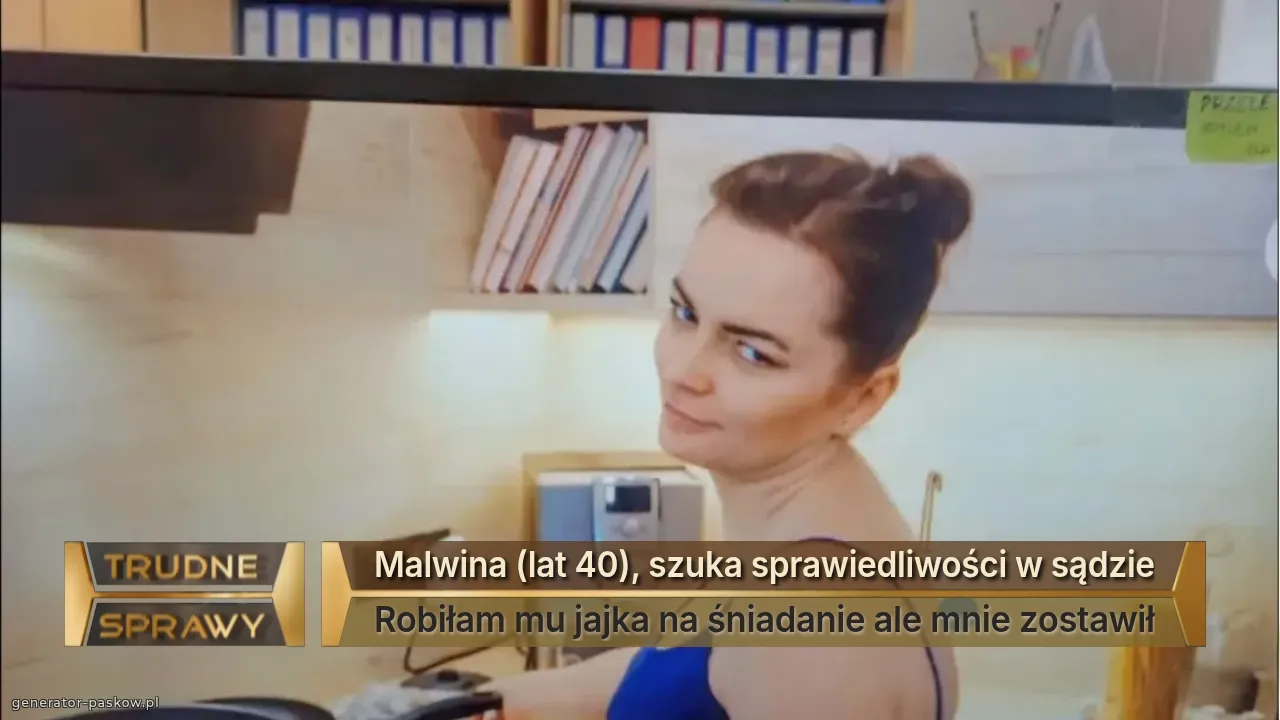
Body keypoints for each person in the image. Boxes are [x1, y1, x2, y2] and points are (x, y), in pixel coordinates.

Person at [478, 148, 973, 720]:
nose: (683, 370)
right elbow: (678, 665)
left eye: (752, 353)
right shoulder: (793, 527)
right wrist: (478, 700)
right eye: (685, 313)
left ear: (862, 398)